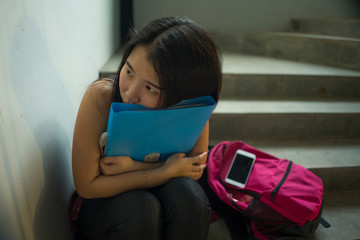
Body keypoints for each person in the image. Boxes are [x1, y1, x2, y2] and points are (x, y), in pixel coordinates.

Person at [70, 16, 222, 240]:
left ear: (181, 94)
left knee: (189, 196)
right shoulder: (101, 97)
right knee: (141, 208)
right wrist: (164, 171)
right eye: (129, 71)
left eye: (150, 88)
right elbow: (87, 186)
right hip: (106, 208)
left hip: (163, 196)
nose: (130, 93)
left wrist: (132, 167)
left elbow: (193, 168)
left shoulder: (190, 108)